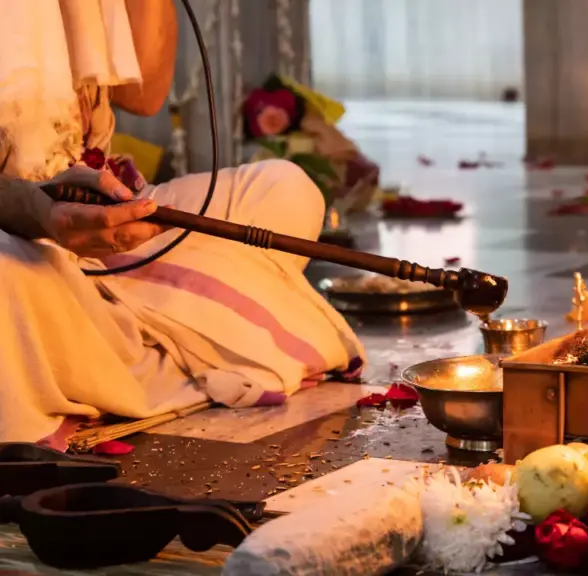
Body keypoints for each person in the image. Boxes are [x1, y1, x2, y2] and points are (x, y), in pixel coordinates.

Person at [0, 0, 364, 446]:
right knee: (7, 272)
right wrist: (38, 211)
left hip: (88, 200)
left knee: (284, 192)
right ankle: (143, 345)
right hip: (18, 229)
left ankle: (108, 345)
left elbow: (144, 93)